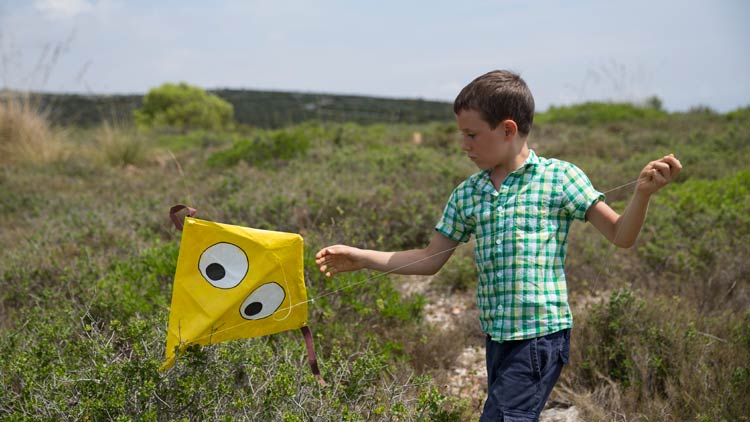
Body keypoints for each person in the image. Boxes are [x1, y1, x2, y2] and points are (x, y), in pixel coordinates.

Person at [315, 70, 682, 421]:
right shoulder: (468, 193)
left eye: (472, 135)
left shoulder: (560, 177)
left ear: (507, 129)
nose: (464, 145)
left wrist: (642, 195)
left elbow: (621, 235)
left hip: (540, 336)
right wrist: (362, 257)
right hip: (497, 338)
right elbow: (429, 259)